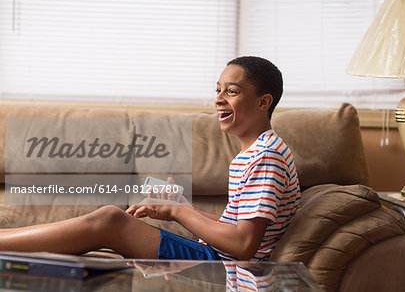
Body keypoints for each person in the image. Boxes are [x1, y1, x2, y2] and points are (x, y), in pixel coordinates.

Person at [0, 56, 301, 261]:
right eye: (218, 90)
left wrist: (178, 214)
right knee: (110, 219)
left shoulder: (266, 158)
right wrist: (183, 207)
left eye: (232, 91)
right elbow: (234, 226)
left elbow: (243, 246)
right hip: (218, 257)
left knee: (110, 220)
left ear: (263, 102)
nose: (219, 98)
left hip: (228, 269)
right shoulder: (258, 152)